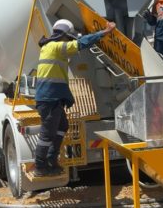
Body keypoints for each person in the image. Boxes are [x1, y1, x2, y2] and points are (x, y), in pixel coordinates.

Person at [33, 18, 116, 177]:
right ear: (64, 35)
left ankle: (51, 159)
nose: (70, 40)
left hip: (52, 98)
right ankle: (40, 166)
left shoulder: (48, 47)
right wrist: (105, 32)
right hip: (49, 99)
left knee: (62, 126)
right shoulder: (56, 47)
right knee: (47, 133)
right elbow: (81, 43)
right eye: (69, 37)